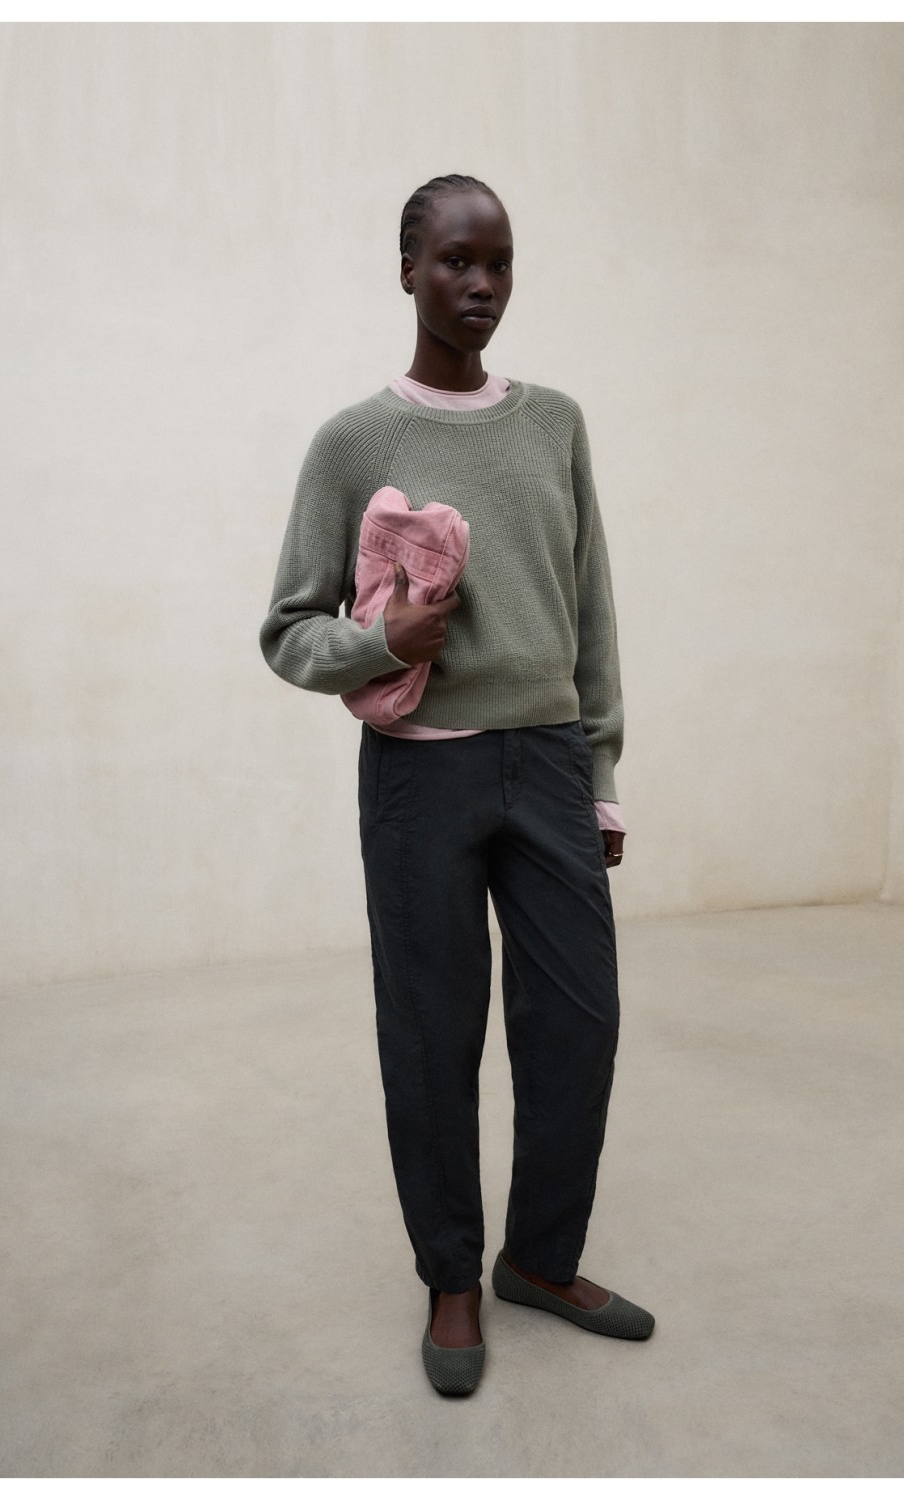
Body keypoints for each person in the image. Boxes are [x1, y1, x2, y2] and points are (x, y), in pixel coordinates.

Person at [259, 173, 654, 1396]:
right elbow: (288, 630)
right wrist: (384, 642)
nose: (480, 285)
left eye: (498, 262)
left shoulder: (556, 424)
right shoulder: (354, 443)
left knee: (579, 1022)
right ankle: (451, 1277)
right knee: (434, 1034)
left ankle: (540, 1260)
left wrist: (598, 773)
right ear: (407, 271)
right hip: (418, 779)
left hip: (548, 762)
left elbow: (590, 607)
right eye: (454, 262)